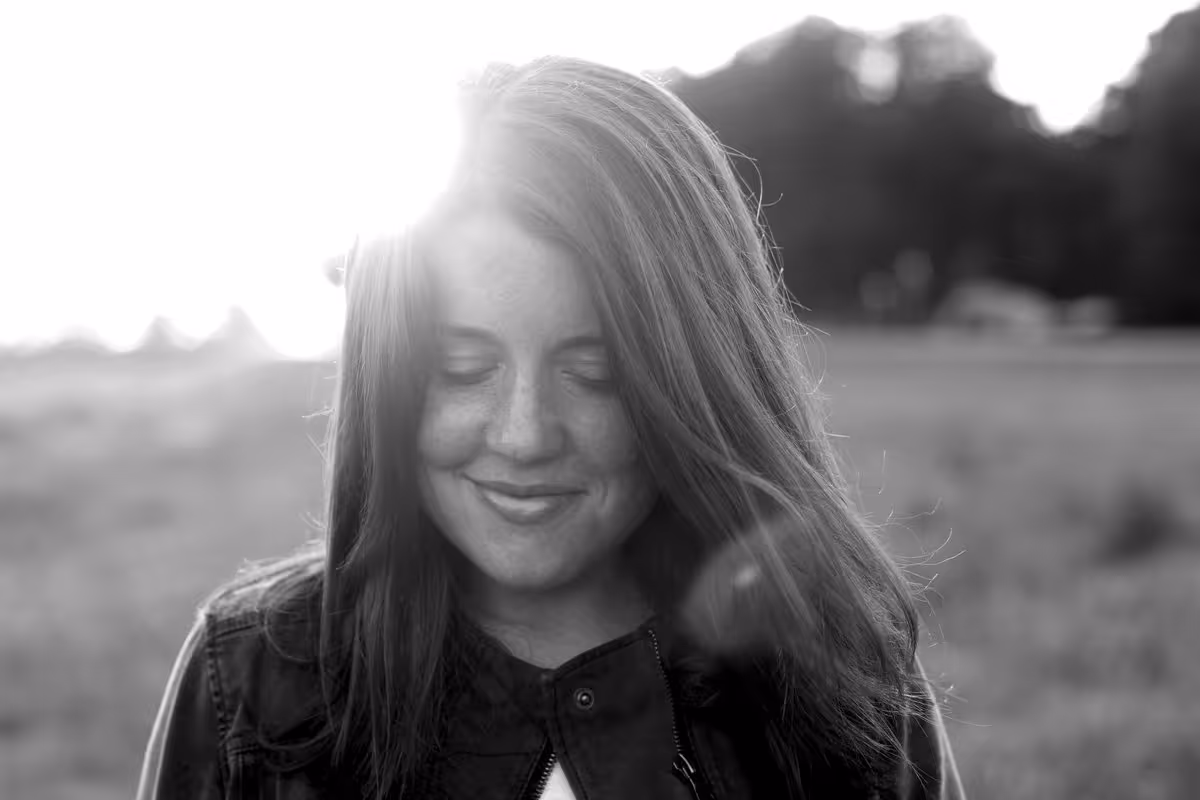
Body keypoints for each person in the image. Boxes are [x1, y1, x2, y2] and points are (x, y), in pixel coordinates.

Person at [137, 56, 966, 800]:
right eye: (462, 370)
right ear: (388, 380)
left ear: (697, 379)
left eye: (594, 372)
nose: (525, 434)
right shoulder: (249, 679)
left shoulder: (840, 664)